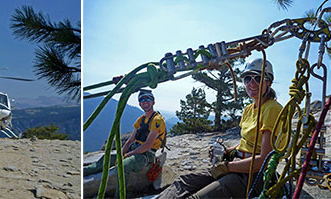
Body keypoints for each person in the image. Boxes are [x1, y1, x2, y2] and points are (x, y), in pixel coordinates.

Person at [155, 58, 282, 198]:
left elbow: (264, 160)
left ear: (268, 81)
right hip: (237, 164)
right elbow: (246, 141)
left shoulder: (272, 109)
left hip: (255, 175)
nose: (251, 83)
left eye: (258, 78)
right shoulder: (248, 109)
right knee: (184, 182)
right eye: (247, 79)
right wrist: (227, 152)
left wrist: (227, 167)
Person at [83, 90, 167, 195]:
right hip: (135, 149)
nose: (145, 102)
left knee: (123, 166)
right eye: (142, 100)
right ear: (140, 103)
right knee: (106, 159)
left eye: (148, 99)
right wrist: (121, 153)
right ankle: (84, 171)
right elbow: (131, 140)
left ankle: (119, 196)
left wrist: (128, 155)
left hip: (146, 154)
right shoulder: (140, 120)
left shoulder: (157, 120)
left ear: (153, 102)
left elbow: (147, 145)